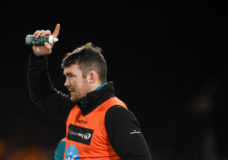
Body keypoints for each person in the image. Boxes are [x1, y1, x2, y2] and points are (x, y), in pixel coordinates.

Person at [27, 24, 152, 160]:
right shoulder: (77, 108)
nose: (66, 83)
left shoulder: (116, 114)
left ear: (91, 77)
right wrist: (38, 57)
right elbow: (42, 95)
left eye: (71, 76)